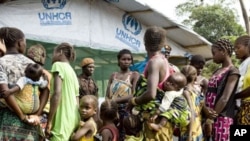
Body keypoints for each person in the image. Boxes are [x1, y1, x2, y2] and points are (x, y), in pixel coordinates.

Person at [0, 27, 49, 140]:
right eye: (25, 42)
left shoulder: (1, 62)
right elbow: (46, 90)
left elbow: (4, 92)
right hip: (31, 124)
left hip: (9, 121)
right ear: (19, 43)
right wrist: (37, 115)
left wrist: (22, 117)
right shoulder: (34, 65)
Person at [128, 26, 172, 140]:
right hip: (161, 119)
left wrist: (133, 101)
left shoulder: (154, 62)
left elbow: (151, 94)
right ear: (163, 44)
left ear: (145, 43)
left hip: (154, 120)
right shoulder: (164, 60)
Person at [204, 39, 240, 141]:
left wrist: (210, 120)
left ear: (223, 51)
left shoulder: (233, 71)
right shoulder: (217, 71)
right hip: (208, 115)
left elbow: (225, 98)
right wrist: (206, 111)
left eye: (214, 53)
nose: (213, 56)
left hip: (221, 117)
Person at [45, 42, 80, 140]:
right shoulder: (73, 73)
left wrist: (49, 121)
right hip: (73, 119)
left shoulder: (58, 65)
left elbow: (57, 93)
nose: (52, 57)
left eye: (53, 54)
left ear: (60, 52)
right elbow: (77, 100)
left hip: (62, 120)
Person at [106, 49, 139, 141]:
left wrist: (115, 101)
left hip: (126, 110)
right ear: (118, 60)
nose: (126, 62)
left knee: (124, 135)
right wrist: (109, 106)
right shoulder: (113, 75)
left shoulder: (134, 75)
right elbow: (107, 94)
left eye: (129, 59)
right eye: (123, 59)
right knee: (113, 134)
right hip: (113, 111)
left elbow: (134, 94)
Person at [26, 44, 52, 131]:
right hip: (44, 114)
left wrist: (37, 114)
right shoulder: (48, 74)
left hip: (37, 113)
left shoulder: (33, 71)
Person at [179, 65, 204, 141]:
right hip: (197, 128)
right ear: (195, 77)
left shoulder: (186, 92)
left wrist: (189, 135)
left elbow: (191, 113)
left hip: (189, 130)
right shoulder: (196, 91)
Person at [234, 35, 250, 124]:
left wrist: (234, 97)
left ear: (248, 46)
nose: (235, 51)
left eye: (238, 47)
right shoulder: (242, 65)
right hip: (241, 108)